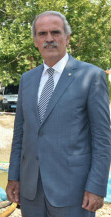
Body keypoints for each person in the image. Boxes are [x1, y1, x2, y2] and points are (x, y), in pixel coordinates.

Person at [6, 11, 111, 217]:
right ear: (35, 41)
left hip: (74, 191)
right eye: (42, 34)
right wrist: (13, 177)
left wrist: (97, 186)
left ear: (67, 38)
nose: (49, 39)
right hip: (31, 191)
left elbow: (102, 138)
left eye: (55, 32)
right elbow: (20, 134)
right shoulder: (27, 80)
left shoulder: (91, 76)